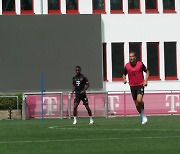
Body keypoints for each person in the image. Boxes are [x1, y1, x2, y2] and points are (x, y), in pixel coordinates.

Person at [122, 51, 149, 124]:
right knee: (136, 104)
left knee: (139, 100)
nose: (131, 58)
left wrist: (146, 81)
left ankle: (143, 112)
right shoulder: (127, 66)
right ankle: (142, 114)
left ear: (135, 57)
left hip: (140, 85)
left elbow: (147, 72)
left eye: (132, 56)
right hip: (132, 86)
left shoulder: (140, 64)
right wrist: (124, 79)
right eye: (130, 56)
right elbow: (124, 74)